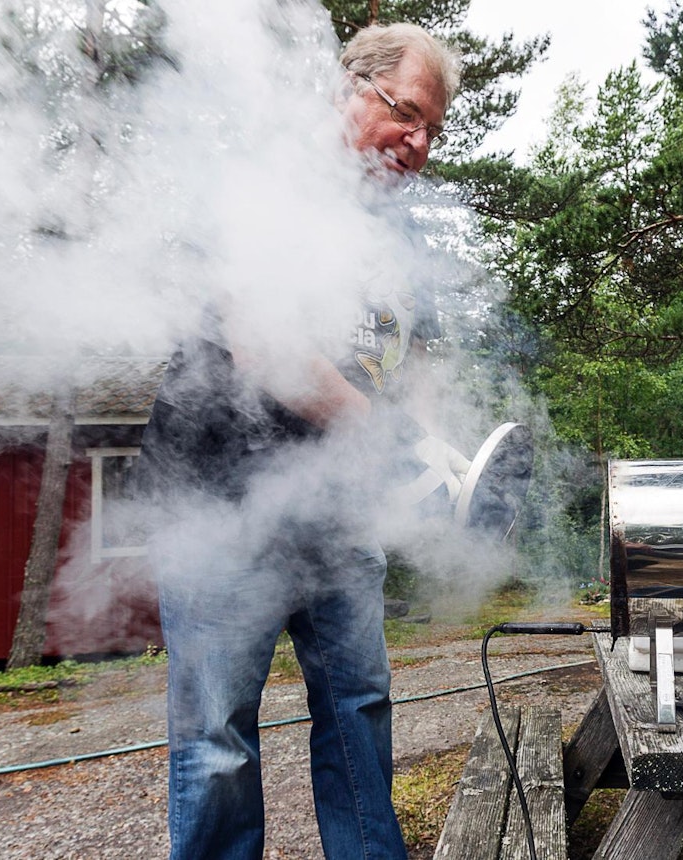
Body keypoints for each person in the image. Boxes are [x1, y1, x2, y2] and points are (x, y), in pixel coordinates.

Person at [136, 23, 464, 860]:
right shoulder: (263, 180)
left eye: (433, 129)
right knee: (217, 737)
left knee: (359, 708)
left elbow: (414, 358)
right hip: (220, 499)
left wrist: (441, 456)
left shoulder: (400, 235)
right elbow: (264, 343)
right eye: (406, 113)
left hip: (335, 503)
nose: (419, 143)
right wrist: (388, 438)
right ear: (351, 88)